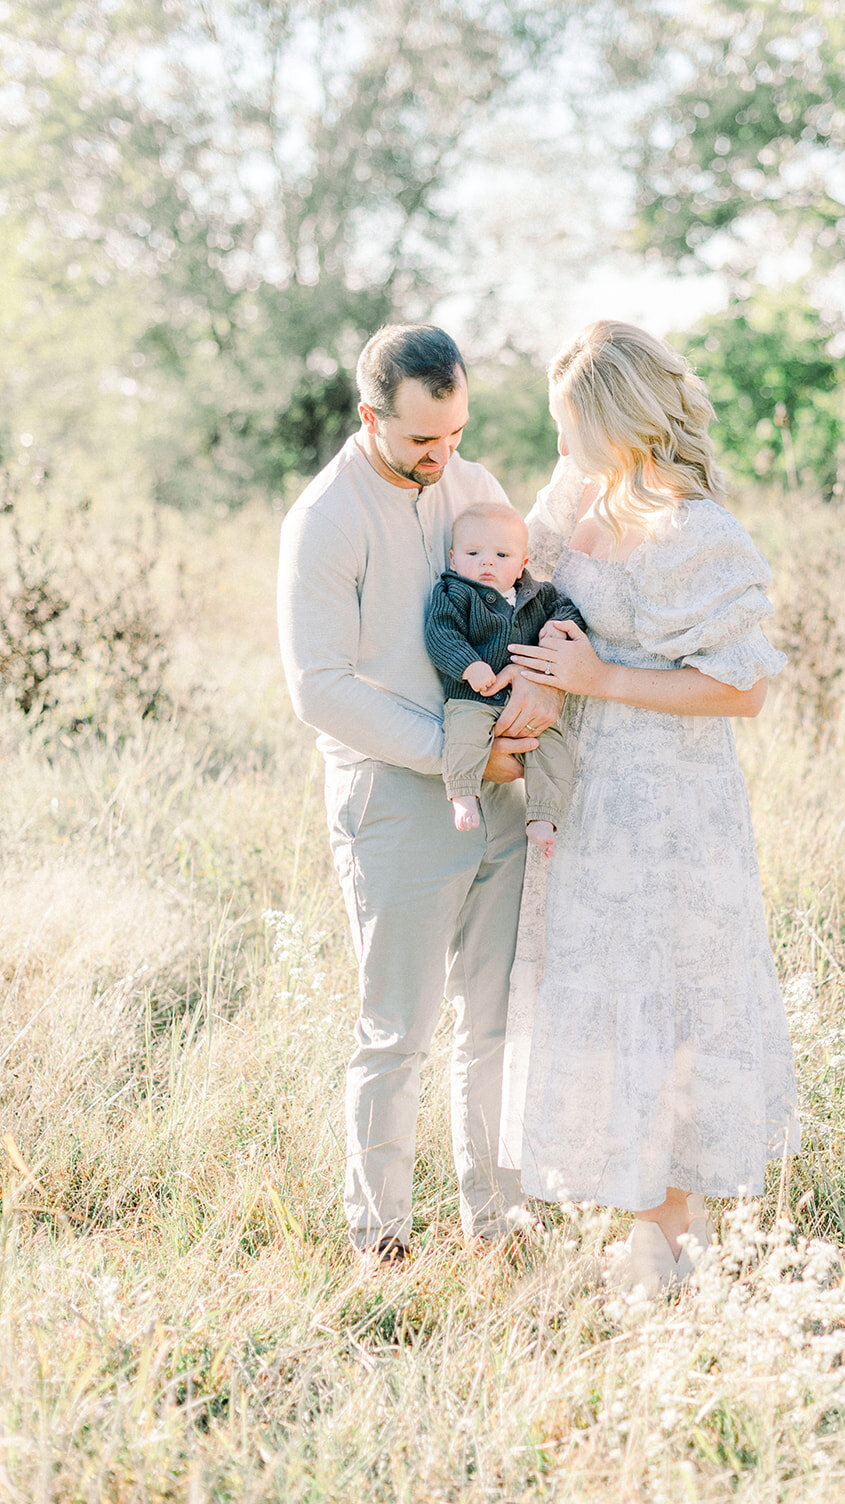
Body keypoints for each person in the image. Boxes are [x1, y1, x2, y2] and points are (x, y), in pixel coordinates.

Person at [498, 320, 801, 1293]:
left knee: (673, 1004)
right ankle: (653, 1236)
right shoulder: (575, 493)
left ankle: (678, 1244)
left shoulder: (697, 529)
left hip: (671, 801)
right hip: (592, 805)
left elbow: (741, 689)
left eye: (567, 424)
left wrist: (601, 676)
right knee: (606, 1001)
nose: (559, 443)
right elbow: (522, 568)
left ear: (613, 420)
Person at [276, 324, 563, 1263]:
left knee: (496, 1021)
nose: (442, 459)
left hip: (502, 794)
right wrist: (452, 755)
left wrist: (534, 696)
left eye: (456, 434)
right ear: (371, 418)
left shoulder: (474, 490)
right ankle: (381, 1239)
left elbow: (530, 603)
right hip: (392, 799)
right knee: (397, 1028)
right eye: (420, 443)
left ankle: (497, 1223)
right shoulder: (325, 518)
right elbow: (320, 687)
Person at [424, 501, 585, 856]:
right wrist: (469, 666)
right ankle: (463, 793)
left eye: (501, 554)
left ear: (522, 563)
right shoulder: (453, 593)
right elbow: (441, 634)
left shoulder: (537, 595)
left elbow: (568, 610)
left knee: (553, 749)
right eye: (473, 552)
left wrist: (558, 631)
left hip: (525, 703)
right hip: (473, 697)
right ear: (453, 559)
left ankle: (543, 815)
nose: (487, 562)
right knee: (463, 736)